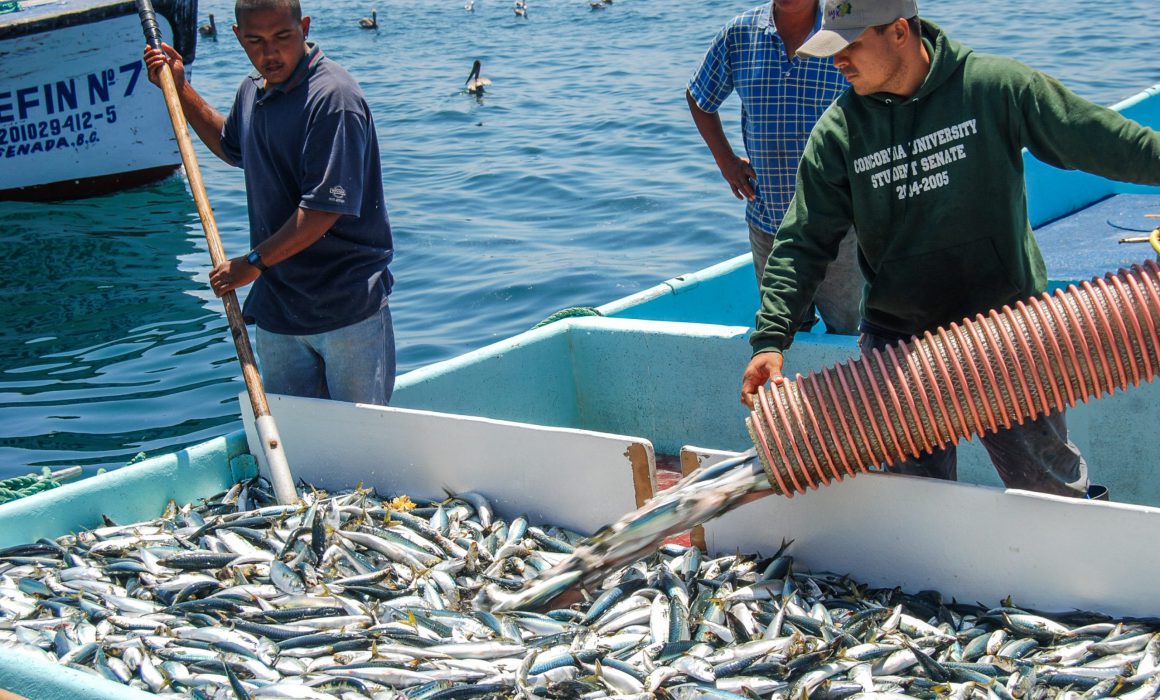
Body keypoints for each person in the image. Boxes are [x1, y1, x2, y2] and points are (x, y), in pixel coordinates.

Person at [740, 0, 1160, 497]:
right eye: (832, 48)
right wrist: (771, 338)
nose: (838, 61)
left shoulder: (994, 87)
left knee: (1051, 492)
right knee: (918, 507)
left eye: (850, 45)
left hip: (1008, 332)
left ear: (899, 31)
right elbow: (802, 241)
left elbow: (1102, 140)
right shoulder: (839, 134)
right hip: (900, 350)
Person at [144, 0, 396, 405]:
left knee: (362, 445)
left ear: (305, 27)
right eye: (256, 41)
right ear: (237, 37)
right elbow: (231, 146)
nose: (269, 53)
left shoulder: (333, 99)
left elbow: (321, 211)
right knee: (298, 444)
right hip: (280, 310)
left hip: (346, 310)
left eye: (282, 37)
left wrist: (252, 264)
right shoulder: (252, 89)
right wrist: (180, 87)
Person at [687, 0, 862, 335]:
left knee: (849, 333)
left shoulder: (844, 32)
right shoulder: (739, 34)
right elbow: (699, 97)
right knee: (783, 335)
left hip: (840, 225)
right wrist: (726, 161)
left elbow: (883, 105)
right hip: (769, 223)